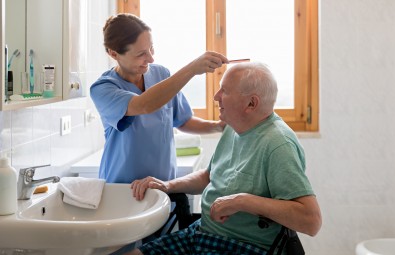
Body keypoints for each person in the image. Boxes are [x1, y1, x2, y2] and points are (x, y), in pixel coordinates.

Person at [126, 62, 322, 255]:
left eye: (225, 91)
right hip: (202, 233)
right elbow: (209, 176)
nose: (215, 97)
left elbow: (311, 221)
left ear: (251, 103)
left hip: (241, 245)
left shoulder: (278, 144)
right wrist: (168, 185)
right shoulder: (233, 127)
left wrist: (242, 201)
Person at [90, 13, 228, 184]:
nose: (150, 58)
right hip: (122, 189)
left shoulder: (161, 75)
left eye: (151, 49)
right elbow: (143, 105)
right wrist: (192, 69)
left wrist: (219, 127)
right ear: (114, 54)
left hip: (163, 186)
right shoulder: (103, 89)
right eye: (141, 54)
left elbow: (182, 121)